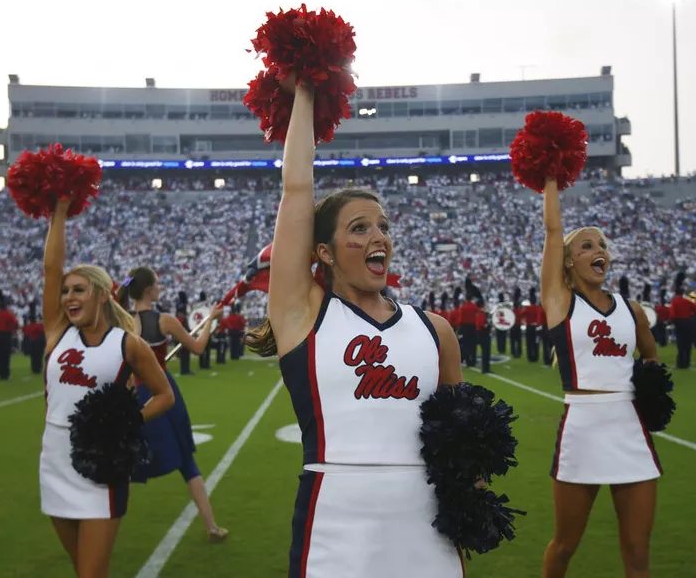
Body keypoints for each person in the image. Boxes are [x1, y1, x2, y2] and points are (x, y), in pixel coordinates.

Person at [245, 79, 465, 577]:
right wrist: (305, 87)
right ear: (323, 252)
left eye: (383, 226)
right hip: (334, 524)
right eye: (360, 228)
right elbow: (297, 188)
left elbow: (462, 444)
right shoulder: (305, 318)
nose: (377, 236)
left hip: (427, 525)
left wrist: (470, 501)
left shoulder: (436, 332)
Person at [39, 198, 175, 578]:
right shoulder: (57, 333)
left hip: (101, 465)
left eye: (79, 290)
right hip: (54, 459)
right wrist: (60, 212)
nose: (68, 297)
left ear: (101, 294)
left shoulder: (127, 344)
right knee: (84, 568)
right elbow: (51, 268)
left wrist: (127, 421)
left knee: (91, 574)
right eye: (66, 291)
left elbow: (165, 396)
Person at [540, 177, 662, 578]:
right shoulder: (561, 303)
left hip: (629, 429)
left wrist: (652, 391)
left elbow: (651, 356)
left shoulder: (633, 310)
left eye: (603, 246)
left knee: (638, 551)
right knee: (564, 547)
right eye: (587, 246)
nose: (599, 252)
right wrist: (552, 178)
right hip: (584, 426)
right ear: (570, 261)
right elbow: (553, 231)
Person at [118, 266, 229, 542]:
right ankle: (212, 527)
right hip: (163, 391)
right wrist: (211, 321)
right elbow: (198, 348)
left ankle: (103, 530)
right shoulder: (164, 320)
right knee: (186, 461)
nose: (160, 287)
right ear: (147, 290)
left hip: (131, 394)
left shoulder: (120, 321)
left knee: (123, 465)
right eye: (157, 283)